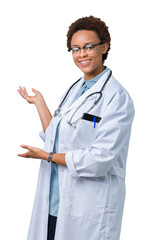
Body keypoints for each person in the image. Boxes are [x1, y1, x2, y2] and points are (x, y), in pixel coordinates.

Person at [17, 16, 135, 240]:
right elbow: (56, 136)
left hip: (89, 206)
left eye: (89, 47)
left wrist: (47, 156)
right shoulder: (76, 90)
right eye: (75, 49)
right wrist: (40, 103)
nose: (82, 54)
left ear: (105, 47)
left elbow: (100, 159)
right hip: (55, 201)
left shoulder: (117, 98)